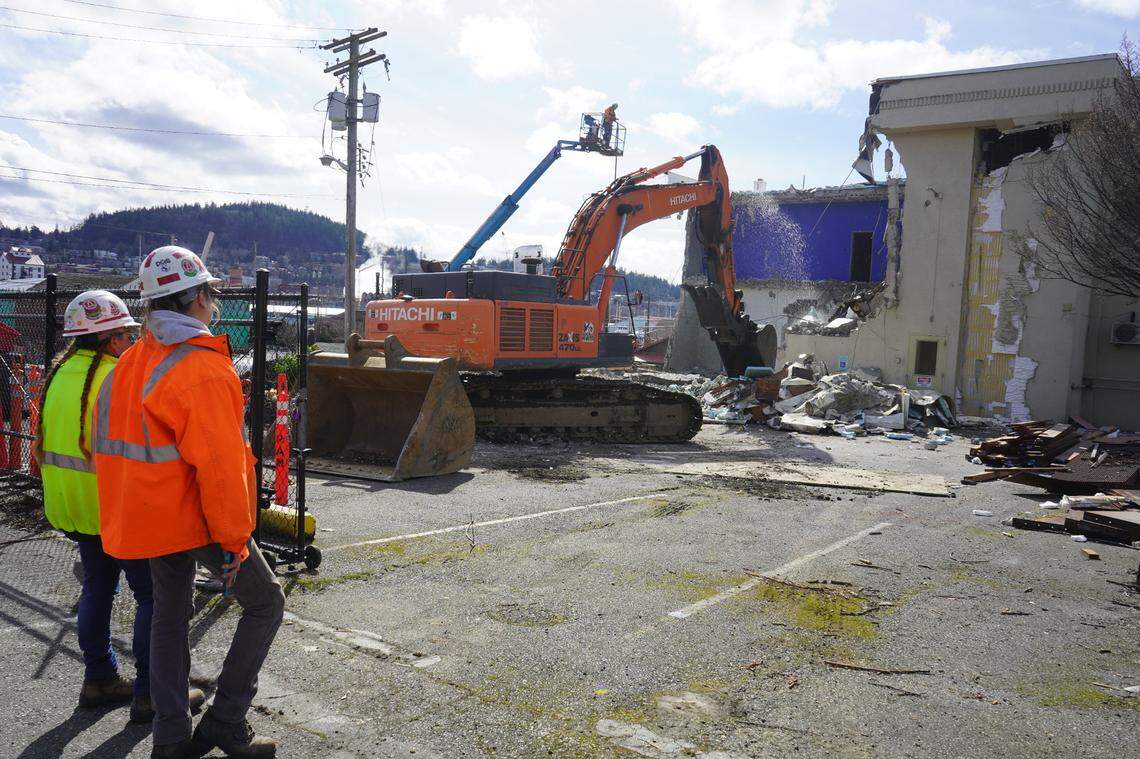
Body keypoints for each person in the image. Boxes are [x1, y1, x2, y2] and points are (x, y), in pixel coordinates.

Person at [94, 246, 284, 759]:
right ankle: (226, 719)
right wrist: (233, 540)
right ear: (200, 298)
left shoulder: (134, 358)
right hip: (193, 517)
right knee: (266, 603)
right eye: (211, 295)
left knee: (168, 618)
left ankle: (172, 738)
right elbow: (220, 471)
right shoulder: (201, 368)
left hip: (146, 517)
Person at [35, 290, 205, 723]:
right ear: (111, 340)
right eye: (126, 335)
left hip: (72, 507)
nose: (130, 342)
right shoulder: (118, 378)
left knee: (97, 587)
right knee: (151, 596)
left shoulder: (59, 375)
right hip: (115, 509)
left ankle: (99, 678)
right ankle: (151, 693)